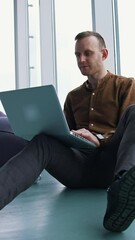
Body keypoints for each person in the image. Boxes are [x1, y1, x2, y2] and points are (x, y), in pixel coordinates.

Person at [0, 31, 135, 233]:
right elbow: (64, 135)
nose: (81, 59)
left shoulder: (126, 85)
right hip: (79, 168)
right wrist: (48, 132)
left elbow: (129, 132)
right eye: (77, 55)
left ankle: (123, 194)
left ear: (104, 54)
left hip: (112, 166)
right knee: (44, 141)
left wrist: (100, 139)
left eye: (87, 53)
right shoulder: (73, 97)